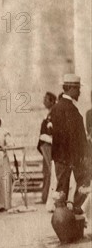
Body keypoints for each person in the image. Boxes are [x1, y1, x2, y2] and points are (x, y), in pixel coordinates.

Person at [49, 74, 90, 214]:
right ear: (71, 88)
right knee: (84, 182)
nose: (79, 92)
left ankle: (62, 220)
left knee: (61, 191)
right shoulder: (70, 109)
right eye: (78, 88)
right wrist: (81, 156)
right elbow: (73, 136)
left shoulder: (56, 108)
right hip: (74, 156)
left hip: (60, 156)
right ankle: (77, 212)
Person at [37, 92, 56, 204]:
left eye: (46, 99)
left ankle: (47, 197)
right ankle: (45, 197)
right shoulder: (49, 113)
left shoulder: (53, 113)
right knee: (46, 171)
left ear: (52, 101)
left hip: (49, 145)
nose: (44, 101)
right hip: (45, 145)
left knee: (49, 171)